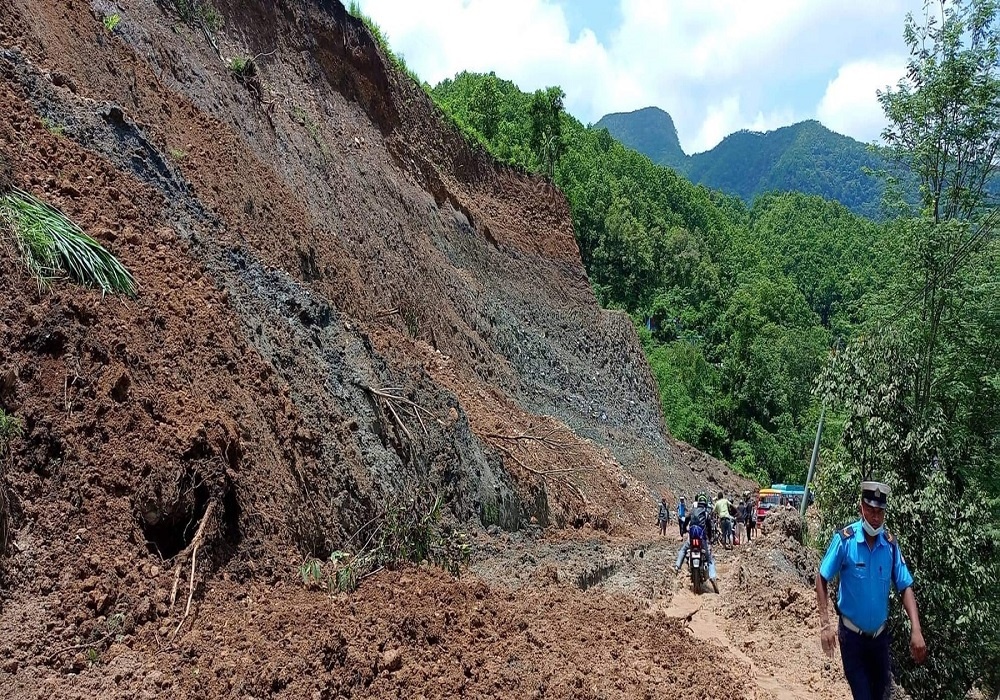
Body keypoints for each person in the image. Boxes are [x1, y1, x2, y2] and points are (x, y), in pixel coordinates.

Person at [815, 481, 927, 699]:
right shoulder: (845, 541)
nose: (875, 517)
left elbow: (905, 586)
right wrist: (825, 625)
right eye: (870, 510)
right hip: (852, 638)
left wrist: (916, 628)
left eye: (879, 512)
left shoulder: (890, 546)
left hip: (879, 639)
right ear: (861, 509)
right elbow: (821, 577)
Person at [674, 493, 717, 584]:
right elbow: (709, 528)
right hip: (702, 540)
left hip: (691, 538)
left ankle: (677, 566)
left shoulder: (692, 511)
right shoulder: (706, 513)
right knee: (709, 558)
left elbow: (686, 520)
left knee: (683, 550)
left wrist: (684, 530)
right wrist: (710, 538)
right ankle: (712, 576)